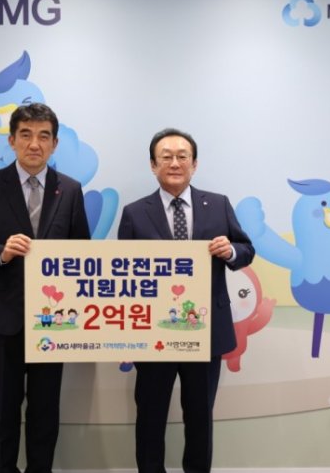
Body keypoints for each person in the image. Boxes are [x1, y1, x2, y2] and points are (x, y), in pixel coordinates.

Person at [0, 103, 91, 473]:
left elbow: (81, 251)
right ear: (12, 140)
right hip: (5, 318)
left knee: (45, 409)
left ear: (54, 143)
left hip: (54, 320)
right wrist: (1, 252)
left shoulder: (70, 189)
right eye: (26, 135)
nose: (35, 144)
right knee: (3, 408)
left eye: (43, 136)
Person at [117, 128, 255, 473]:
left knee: (200, 415)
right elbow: (122, 276)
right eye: (166, 157)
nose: (175, 163)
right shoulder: (135, 212)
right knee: (150, 416)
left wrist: (231, 251)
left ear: (194, 164)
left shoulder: (219, 204)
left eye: (182, 156)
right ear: (153, 165)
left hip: (206, 332)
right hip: (153, 334)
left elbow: (246, 250)